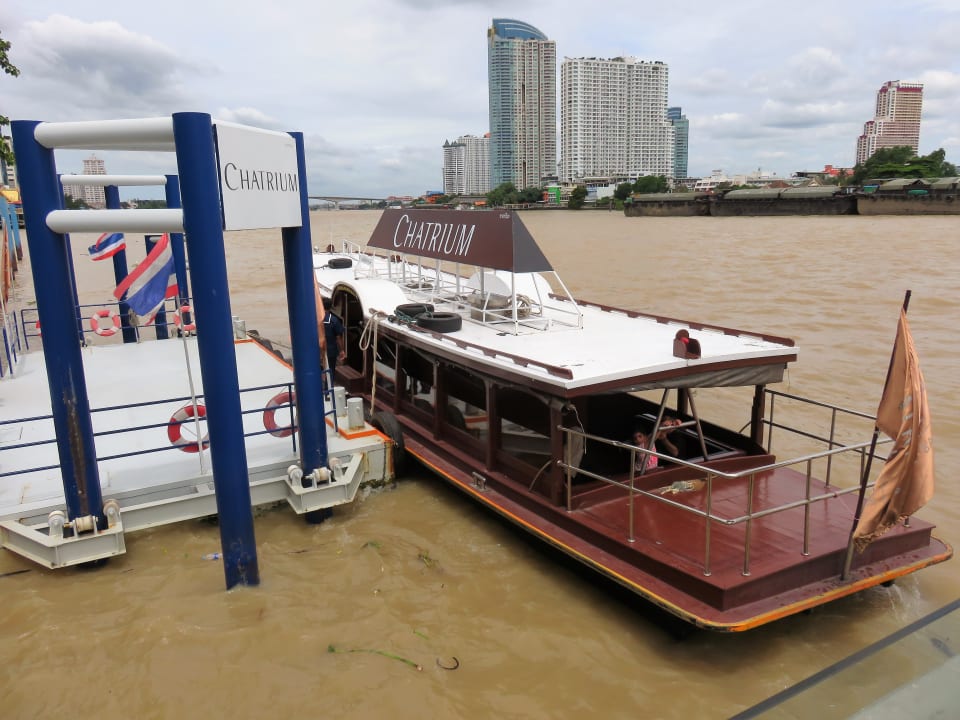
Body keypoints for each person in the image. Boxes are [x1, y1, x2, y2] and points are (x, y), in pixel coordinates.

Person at [321, 296, 345, 377]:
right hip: (331, 351)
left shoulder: (315, 318)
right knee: (330, 371)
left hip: (317, 350)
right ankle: (328, 387)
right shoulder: (334, 320)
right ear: (330, 307)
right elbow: (338, 337)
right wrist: (342, 350)